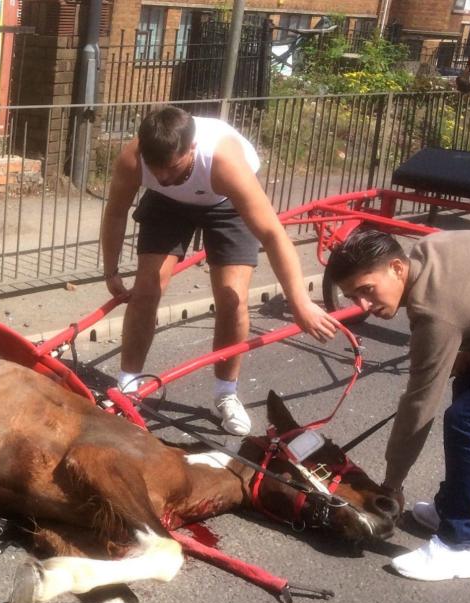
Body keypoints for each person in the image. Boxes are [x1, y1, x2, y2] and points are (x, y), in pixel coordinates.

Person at [100, 106, 337, 435]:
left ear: (192, 149)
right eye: (157, 171)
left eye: (172, 168)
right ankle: (127, 387)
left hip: (224, 203)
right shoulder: (133, 158)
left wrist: (299, 302)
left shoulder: (223, 161)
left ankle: (226, 393)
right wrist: (110, 270)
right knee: (146, 290)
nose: (165, 177)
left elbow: (272, 234)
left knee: (233, 300)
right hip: (167, 206)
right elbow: (115, 213)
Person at [327, 228, 470, 581]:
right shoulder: (430, 249)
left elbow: (419, 404)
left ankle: (460, 546)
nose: (362, 306)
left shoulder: (435, 314)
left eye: (367, 290)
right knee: (469, 387)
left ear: (398, 268)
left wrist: (392, 484)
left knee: (468, 421)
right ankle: (453, 506)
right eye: (353, 296)